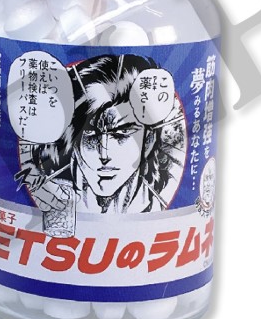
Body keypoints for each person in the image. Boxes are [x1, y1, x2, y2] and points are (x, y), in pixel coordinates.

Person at [17, 53, 185, 222]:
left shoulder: (156, 203)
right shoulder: (52, 192)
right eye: (91, 134)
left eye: (121, 134)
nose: (104, 155)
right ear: (74, 141)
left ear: (148, 141)